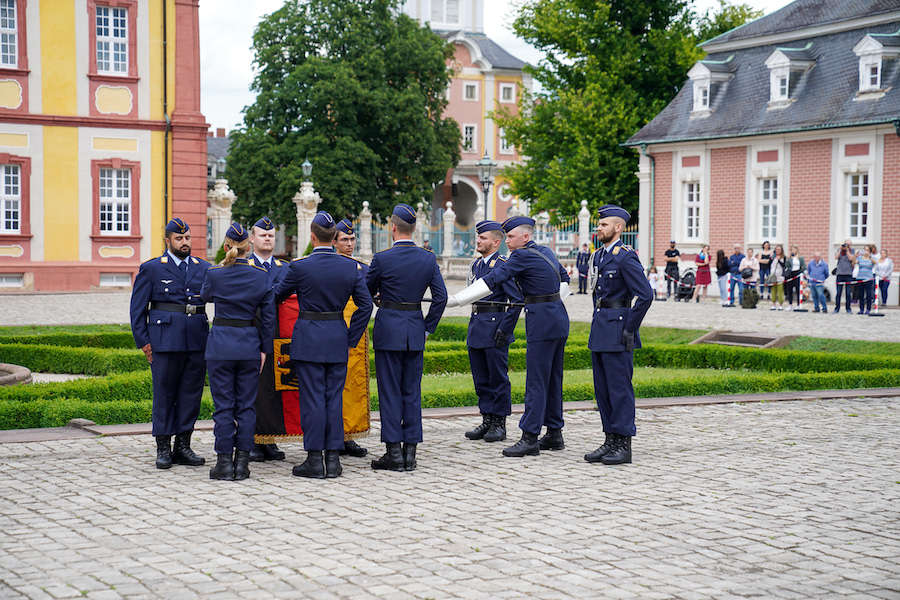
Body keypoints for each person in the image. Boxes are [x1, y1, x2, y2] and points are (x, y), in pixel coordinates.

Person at [447, 215, 570, 458]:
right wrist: (552, 301)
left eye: (511, 237)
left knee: (536, 381)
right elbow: (564, 279)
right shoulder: (546, 251)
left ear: (525, 236)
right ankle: (554, 432)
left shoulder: (521, 255)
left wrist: (455, 301)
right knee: (553, 378)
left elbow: (494, 280)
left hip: (542, 322)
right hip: (557, 317)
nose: (508, 242)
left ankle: (529, 437)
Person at [274, 212, 373, 479]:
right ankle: (333, 458)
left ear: (313, 236)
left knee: (312, 400)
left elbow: (278, 295)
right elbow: (365, 305)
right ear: (333, 238)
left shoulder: (300, 266)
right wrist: (351, 336)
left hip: (308, 339)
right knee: (333, 399)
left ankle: (315, 459)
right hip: (337, 338)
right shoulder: (349, 267)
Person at [366, 204, 447, 472]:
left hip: (389, 328)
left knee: (390, 392)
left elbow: (365, 291)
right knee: (411, 392)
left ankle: (394, 453)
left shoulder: (382, 258)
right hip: (414, 329)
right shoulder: (427, 258)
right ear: (413, 229)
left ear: (393, 228)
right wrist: (427, 326)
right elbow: (441, 297)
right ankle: (410, 452)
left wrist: (380, 302)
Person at [129, 217, 210, 470]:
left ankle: (183, 445)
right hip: (164, 341)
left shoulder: (203, 268)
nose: (184, 243)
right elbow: (137, 309)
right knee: (165, 394)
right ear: (168, 240)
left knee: (190, 394)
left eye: (187, 238)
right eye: (179, 238)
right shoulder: (152, 268)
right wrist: (143, 341)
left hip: (196, 341)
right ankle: (163, 447)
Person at [201, 223, 276, 481]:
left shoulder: (214, 274)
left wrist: (222, 268)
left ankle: (223, 462)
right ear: (249, 247)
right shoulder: (261, 276)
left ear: (226, 246)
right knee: (246, 406)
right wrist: (265, 349)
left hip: (221, 345)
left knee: (223, 407)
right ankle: (242, 464)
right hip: (248, 346)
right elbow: (268, 319)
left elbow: (204, 296)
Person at [581, 206, 652, 465]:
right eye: (599, 225)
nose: (598, 228)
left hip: (619, 330)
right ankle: (609, 439)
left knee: (619, 389)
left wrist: (629, 328)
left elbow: (645, 295)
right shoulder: (599, 256)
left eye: (603, 225)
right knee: (602, 390)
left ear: (618, 228)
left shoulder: (625, 257)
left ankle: (623, 443)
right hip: (601, 328)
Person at [463, 221, 523, 444]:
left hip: (495, 326)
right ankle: (487, 419)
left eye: (483, 238)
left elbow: (516, 301)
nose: (478, 241)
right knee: (481, 377)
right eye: (478, 237)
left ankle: (499, 423)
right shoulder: (477, 265)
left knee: (497, 378)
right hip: (477, 325)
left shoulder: (503, 265)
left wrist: (504, 330)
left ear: (496, 242)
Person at [247, 216, 288, 463]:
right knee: (253, 390)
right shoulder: (245, 266)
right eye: (262, 235)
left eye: (271, 235)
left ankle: (270, 438)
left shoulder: (285, 268)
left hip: (278, 338)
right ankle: (252, 439)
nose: (267, 238)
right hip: (251, 336)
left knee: (274, 391)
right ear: (252, 239)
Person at [333, 218, 373, 458]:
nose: (349, 244)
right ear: (334, 242)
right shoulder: (331, 265)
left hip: (356, 333)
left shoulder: (363, 268)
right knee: (334, 387)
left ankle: (350, 434)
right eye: (344, 240)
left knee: (354, 385)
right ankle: (334, 434)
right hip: (334, 330)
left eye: (352, 239)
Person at [833, 241, 855, 314]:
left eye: (848, 244)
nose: (846, 245)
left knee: (848, 293)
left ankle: (848, 309)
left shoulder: (852, 250)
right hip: (840, 274)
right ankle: (837, 308)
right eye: (845, 244)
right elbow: (836, 257)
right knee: (838, 293)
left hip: (848, 274)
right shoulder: (839, 250)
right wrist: (840, 249)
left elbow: (851, 258)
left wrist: (847, 250)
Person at [784, 245, 805, 311]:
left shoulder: (800, 258)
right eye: (792, 249)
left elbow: (803, 266)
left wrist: (800, 272)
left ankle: (799, 304)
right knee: (789, 290)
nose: (793, 251)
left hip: (797, 274)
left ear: (797, 250)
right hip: (790, 274)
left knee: (798, 290)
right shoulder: (789, 258)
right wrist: (789, 258)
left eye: (794, 249)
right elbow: (786, 266)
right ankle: (790, 304)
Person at [855, 247, 875, 315]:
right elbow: (855, 262)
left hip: (868, 278)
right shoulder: (860, 258)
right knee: (861, 295)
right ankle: (861, 309)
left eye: (867, 250)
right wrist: (855, 255)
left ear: (869, 251)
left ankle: (868, 309)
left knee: (868, 294)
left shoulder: (872, 257)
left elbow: (876, 263)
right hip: (860, 277)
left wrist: (869, 257)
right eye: (864, 250)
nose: (865, 251)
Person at [770, 244, 786, 310]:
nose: (777, 251)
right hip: (773, 275)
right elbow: (770, 264)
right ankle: (773, 304)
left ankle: (780, 304)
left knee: (780, 291)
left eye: (779, 249)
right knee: (773, 290)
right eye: (776, 249)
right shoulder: (773, 257)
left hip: (780, 275)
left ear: (781, 250)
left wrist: (779, 260)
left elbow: (784, 266)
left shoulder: (784, 257)